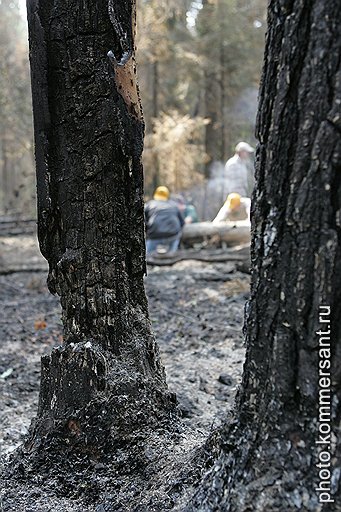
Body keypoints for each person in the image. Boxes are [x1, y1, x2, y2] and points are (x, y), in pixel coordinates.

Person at [145, 186, 185, 254]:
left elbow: (143, 220)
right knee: (174, 244)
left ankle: (147, 256)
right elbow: (182, 222)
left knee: (147, 253)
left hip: (154, 235)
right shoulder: (174, 205)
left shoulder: (149, 204)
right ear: (167, 195)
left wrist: (147, 230)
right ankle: (172, 254)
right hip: (172, 235)